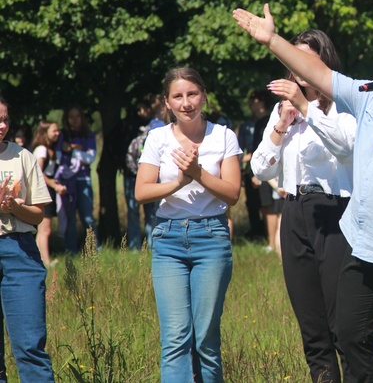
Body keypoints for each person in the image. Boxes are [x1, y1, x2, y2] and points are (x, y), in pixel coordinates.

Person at [234, 4, 373, 381]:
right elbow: (320, 73)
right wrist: (271, 40)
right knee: (353, 336)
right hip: (364, 246)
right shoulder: (369, 97)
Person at [251, 29, 356, 382]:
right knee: (311, 325)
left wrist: (307, 107)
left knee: (343, 323)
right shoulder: (283, 111)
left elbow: (345, 148)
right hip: (293, 211)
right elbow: (260, 168)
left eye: (305, 58)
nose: (296, 67)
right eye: (291, 58)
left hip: (336, 212)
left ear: (323, 61)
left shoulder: (344, 103)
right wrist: (281, 124)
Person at [135, 67, 242, 381]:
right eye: (177, 96)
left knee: (206, 337)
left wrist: (197, 173)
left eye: (192, 94)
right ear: (167, 102)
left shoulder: (223, 136)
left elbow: (233, 193)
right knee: (175, 338)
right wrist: (179, 182)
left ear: (204, 96)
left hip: (211, 236)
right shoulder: (157, 138)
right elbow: (142, 191)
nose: (186, 103)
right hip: (167, 239)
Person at [0, 97, 56, 381]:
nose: (2, 125)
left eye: (5, 119)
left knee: (29, 345)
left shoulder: (23, 157)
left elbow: (37, 215)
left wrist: (15, 207)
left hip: (19, 251)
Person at [124, 93, 166, 249]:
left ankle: (137, 246)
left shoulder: (153, 126)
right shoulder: (158, 126)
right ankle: (152, 244)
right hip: (150, 175)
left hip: (135, 173)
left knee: (141, 213)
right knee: (151, 213)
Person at [56, 104, 99, 253]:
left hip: (83, 180)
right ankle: (71, 250)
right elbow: (58, 157)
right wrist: (79, 152)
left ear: (82, 118)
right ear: (67, 119)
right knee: (70, 218)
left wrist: (72, 150)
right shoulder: (63, 135)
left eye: (77, 116)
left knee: (87, 217)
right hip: (67, 181)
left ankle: (94, 249)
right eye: (71, 117)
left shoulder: (88, 135)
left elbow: (90, 157)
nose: (74, 120)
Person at [237, 90, 274, 242]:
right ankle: (258, 233)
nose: (251, 103)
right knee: (254, 204)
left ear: (261, 102)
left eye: (254, 99)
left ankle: (270, 237)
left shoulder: (270, 121)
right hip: (255, 169)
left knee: (269, 205)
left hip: (268, 170)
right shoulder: (249, 125)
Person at [32, 120, 66, 266]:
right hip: (44, 191)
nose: (57, 133)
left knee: (43, 229)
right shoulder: (42, 150)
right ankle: (46, 261)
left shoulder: (49, 149)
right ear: (45, 132)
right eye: (54, 130)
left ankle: (41, 258)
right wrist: (54, 185)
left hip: (47, 190)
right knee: (45, 229)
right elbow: (38, 172)